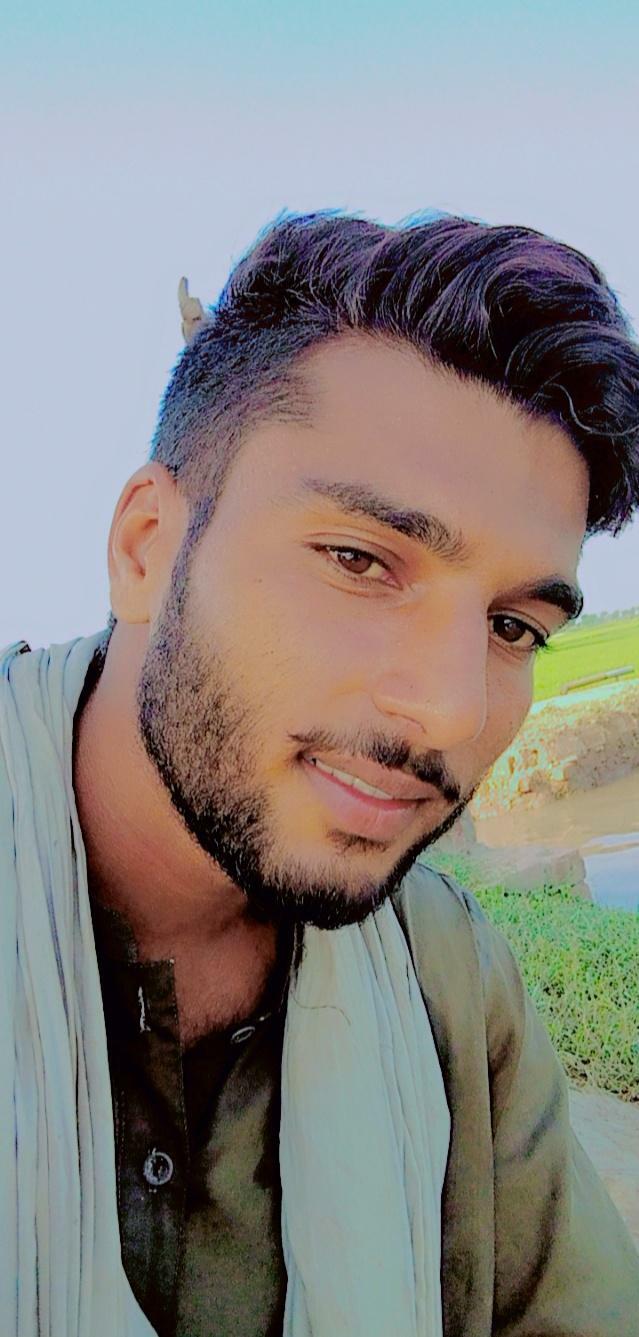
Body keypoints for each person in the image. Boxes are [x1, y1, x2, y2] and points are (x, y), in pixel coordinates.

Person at [2, 211, 638, 1337]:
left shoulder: (449, 984)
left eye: (512, 626)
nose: (450, 709)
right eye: (359, 560)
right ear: (146, 546)